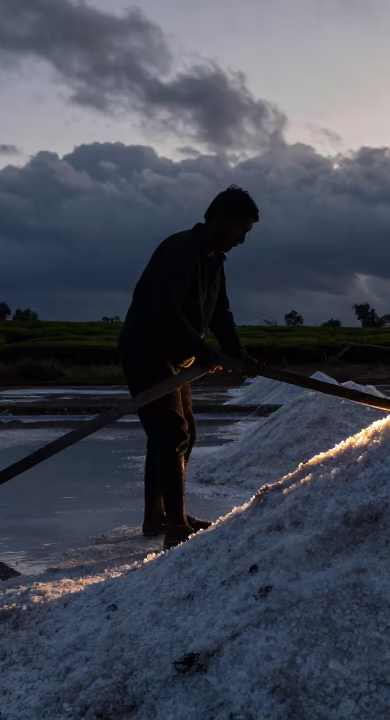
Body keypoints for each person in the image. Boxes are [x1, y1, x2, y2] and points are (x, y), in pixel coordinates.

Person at [119, 185, 258, 547]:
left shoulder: (215, 260)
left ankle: (158, 517)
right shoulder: (180, 249)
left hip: (176, 356)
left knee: (182, 433)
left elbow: (220, 312)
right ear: (220, 219)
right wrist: (205, 350)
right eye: (240, 230)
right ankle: (175, 527)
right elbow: (164, 311)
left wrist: (238, 352)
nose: (242, 241)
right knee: (171, 434)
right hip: (147, 351)